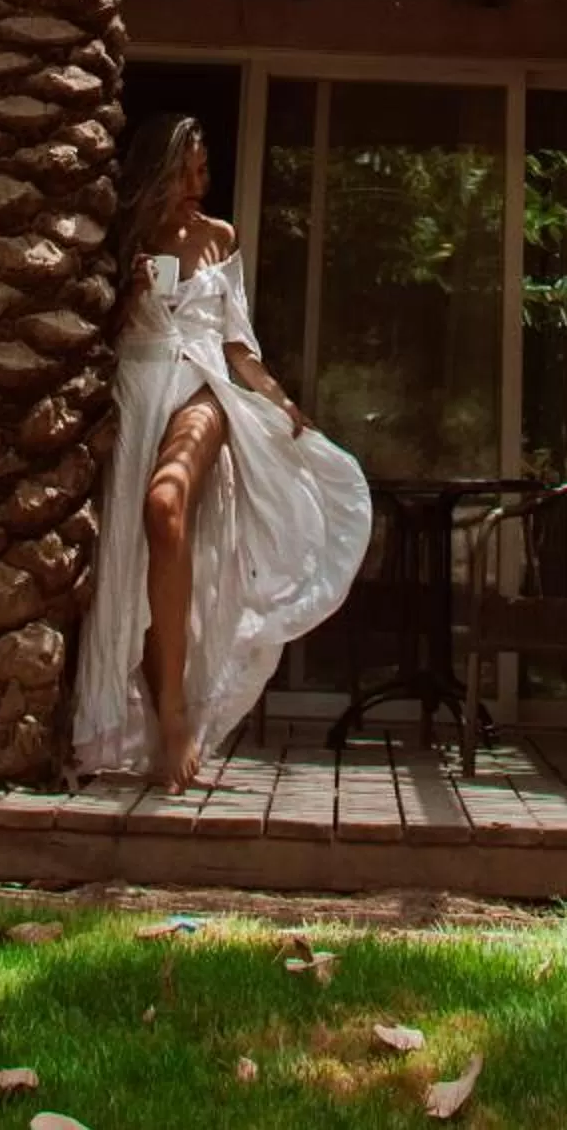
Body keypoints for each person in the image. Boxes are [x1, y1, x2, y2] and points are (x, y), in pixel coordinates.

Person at [72, 111, 371, 792]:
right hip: (138, 386)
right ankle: (153, 720)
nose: (200, 183)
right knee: (136, 551)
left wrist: (279, 399)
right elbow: (96, 329)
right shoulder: (124, 232)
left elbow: (237, 344)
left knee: (164, 506)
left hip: (203, 385)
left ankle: (177, 718)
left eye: (205, 170)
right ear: (161, 169)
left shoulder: (219, 238)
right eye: (189, 170)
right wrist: (130, 289)